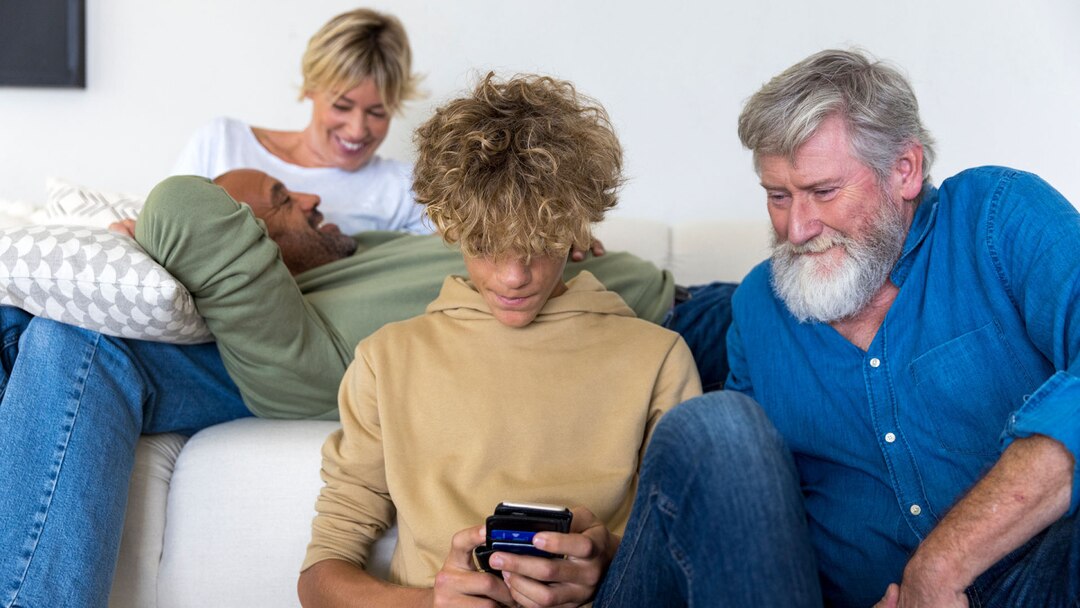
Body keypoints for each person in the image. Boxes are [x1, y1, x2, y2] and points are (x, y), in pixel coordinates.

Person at [0, 164, 686, 607]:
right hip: (673, 311)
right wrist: (153, 233)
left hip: (674, 307)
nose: (312, 193)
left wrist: (550, 222)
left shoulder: (359, 254)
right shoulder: (314, 339)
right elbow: (183, 207)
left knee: (38, 335)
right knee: (53, 333)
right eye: (280, 200)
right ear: (247, 247)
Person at [600, 49, 1080, 608]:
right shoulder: (759, 305)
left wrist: (941, 566)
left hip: (1038, 579)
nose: (797, 228)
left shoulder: (996, 218)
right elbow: (745, 513)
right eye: (778, 197)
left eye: (823, 191)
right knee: (717, 424)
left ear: (904, 170)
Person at [297, 72, 701, 607]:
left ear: (577, 229)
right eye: (487, 244)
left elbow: (687, 551)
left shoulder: (658, 358)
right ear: (453, 226)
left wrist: (608, 560)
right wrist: (429, 604)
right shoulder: (387, 359)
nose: (514, 277)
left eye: (538, 243)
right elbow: (320, 576)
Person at [172, 7, 429, 235]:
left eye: (377, 112)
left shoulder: (405, 187)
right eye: (341, 106)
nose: (356, 129)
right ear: (310, 87)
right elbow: (167, 228)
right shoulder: (223, 143)